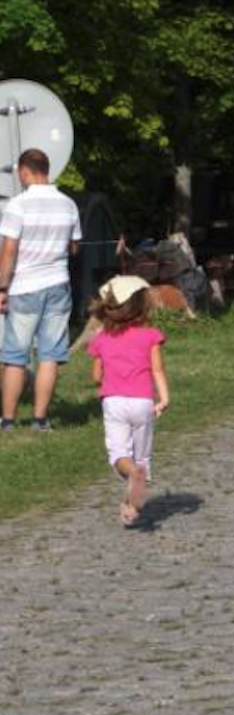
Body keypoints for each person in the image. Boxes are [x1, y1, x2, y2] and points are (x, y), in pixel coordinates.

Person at [0, 148, 82, 432]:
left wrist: (1, 287)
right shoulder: (68, 205)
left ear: (24, 171)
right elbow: (74, 248)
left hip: (24, 286)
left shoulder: (17, 205)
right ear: (47, 170)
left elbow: (9, 249)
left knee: (14, 356)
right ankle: (40, 420)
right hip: (58, 284)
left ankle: (8, 421)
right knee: (50, 355)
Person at [86, 276, 170, 525]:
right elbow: (158, 370)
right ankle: (131, 505)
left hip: (114, 402)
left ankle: (132, 476)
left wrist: (103, 377)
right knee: (142, 457)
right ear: (142, 307)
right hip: (143, 402)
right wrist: (164, 398)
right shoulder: (150, 335)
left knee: (118, 455)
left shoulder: (100, 339)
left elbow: (96, 376)